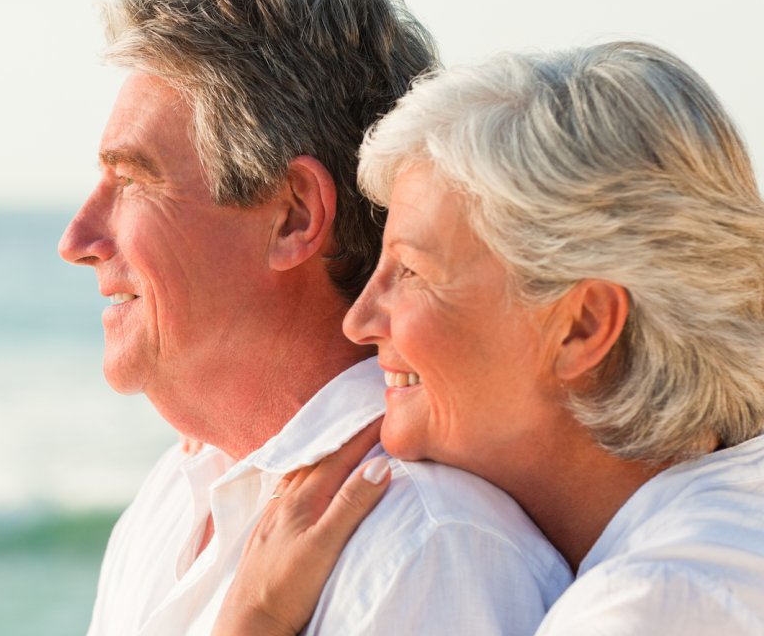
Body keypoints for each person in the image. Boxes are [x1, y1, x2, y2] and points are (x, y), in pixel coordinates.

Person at [60, 0, 571, 636]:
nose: (79, 238)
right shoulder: (174, 497)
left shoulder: (426, 548)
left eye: (133, 181)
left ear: (295, 217)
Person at [214, 41, 764, 635]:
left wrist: (255, 621)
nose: (361, 319)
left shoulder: (650, 606)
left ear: (580, 328)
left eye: (412, 272)